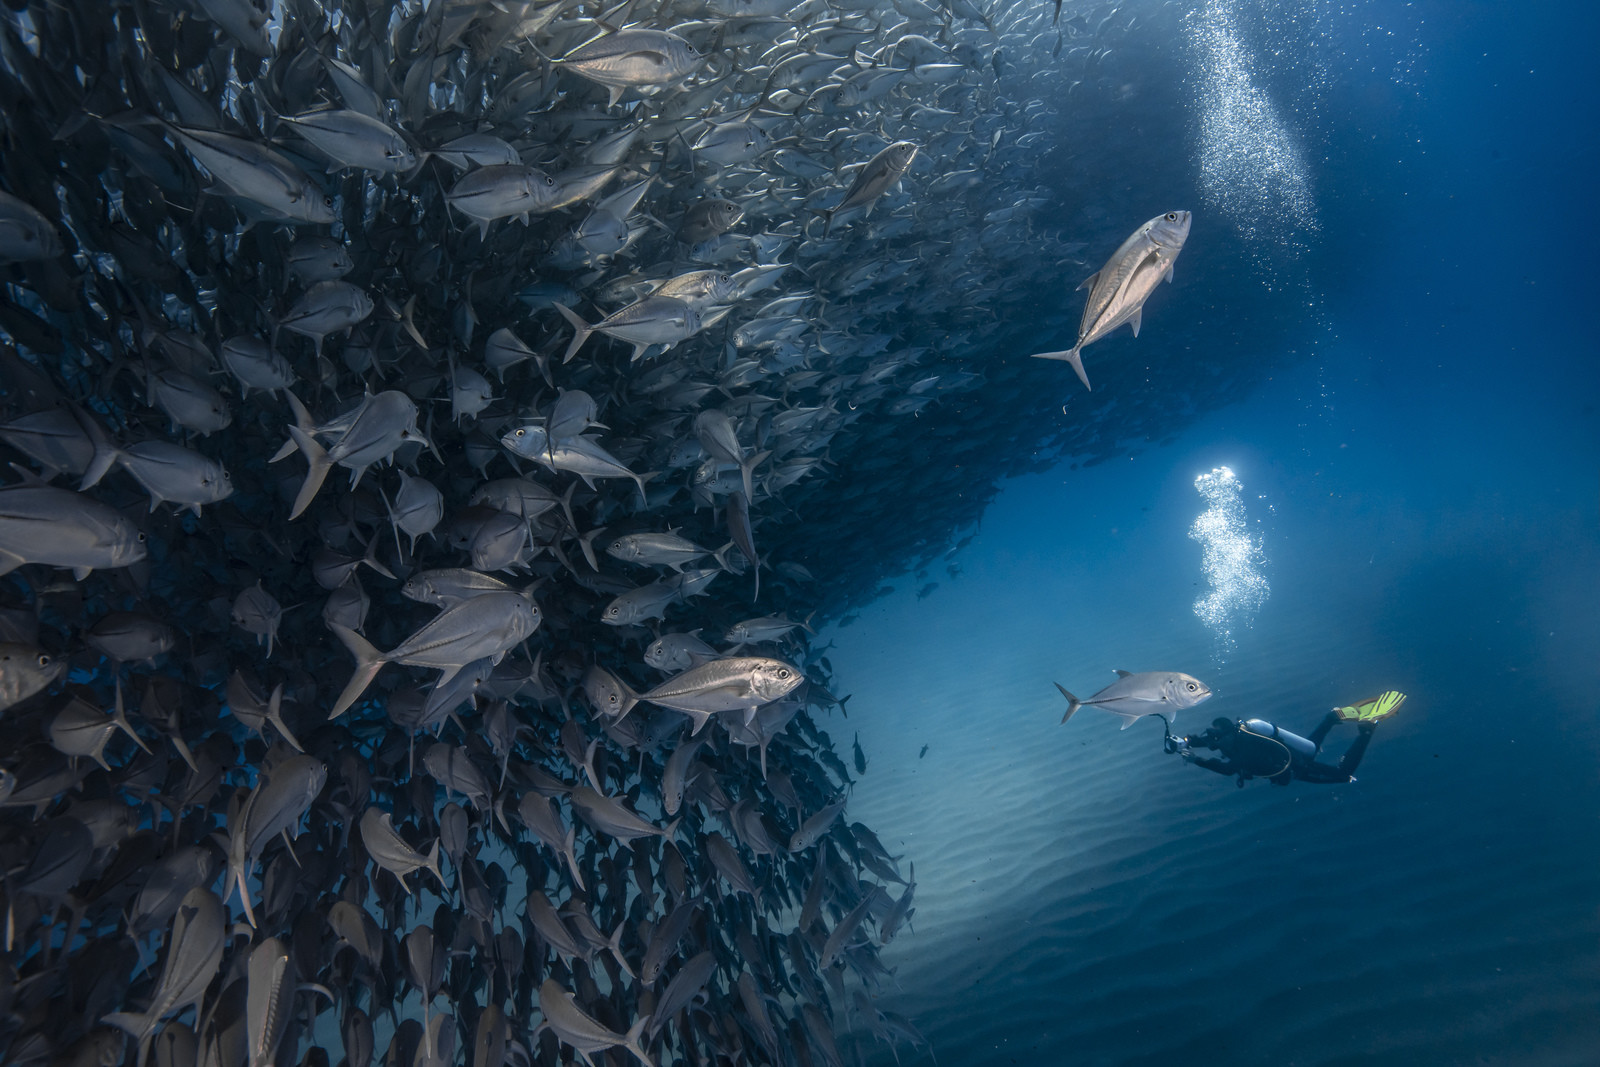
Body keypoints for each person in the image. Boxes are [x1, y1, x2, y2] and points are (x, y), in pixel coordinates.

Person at [1163, 691, 1407, 788]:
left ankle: (1366, 731)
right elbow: (1208, 741)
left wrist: (1197, 761)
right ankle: (1331, 718)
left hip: (1293, 766)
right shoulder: (1238, 734)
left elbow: (1228, 770)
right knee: (1310, 748)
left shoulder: (1235, 748)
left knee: (1343, 773)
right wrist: (1185, 742)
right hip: (1291, 752)